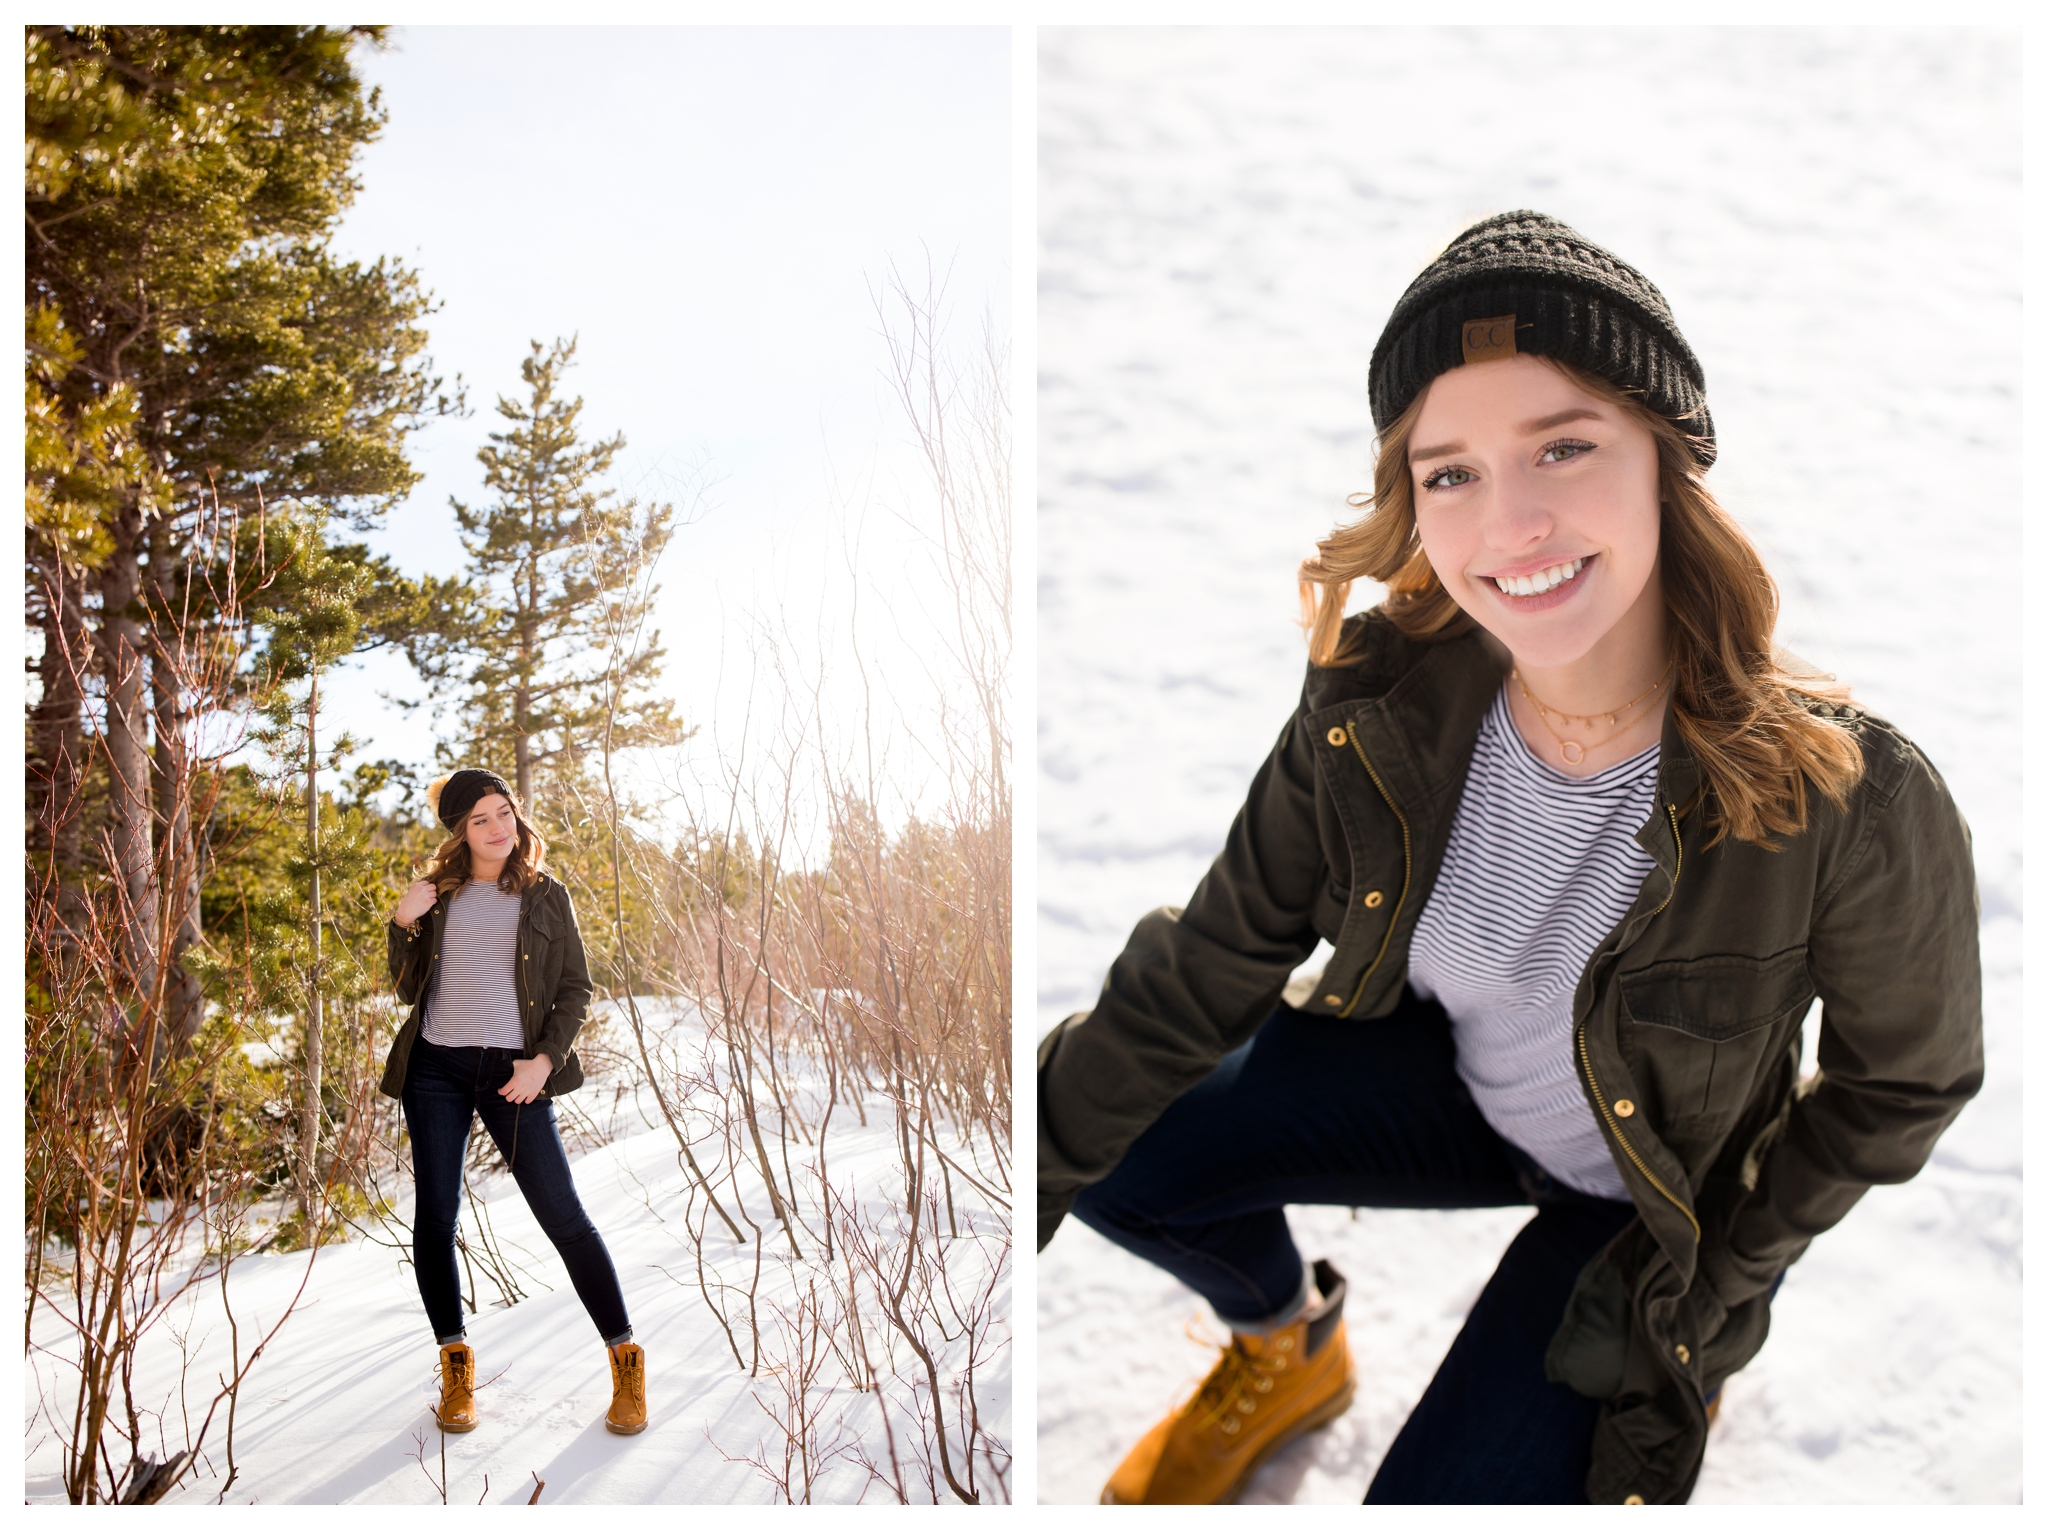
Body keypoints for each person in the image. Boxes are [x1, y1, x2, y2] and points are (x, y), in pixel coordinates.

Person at [1036, 211, 1982, 1505]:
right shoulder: (1376, 714)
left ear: (1666, 462)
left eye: (1566, 447)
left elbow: (1903, 1085)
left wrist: (1709, 1295)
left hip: (1646, 1204)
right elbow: (1204, 965)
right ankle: (1287, 1343)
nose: (1512, 523)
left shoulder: (1849, 795)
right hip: (1455, 1091)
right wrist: (1003, 1197)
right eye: (1452, 473)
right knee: (1109, 1129)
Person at [381, 767, 647, 1438]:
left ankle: (625, 1361)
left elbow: (576, 989)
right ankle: (455, 1367)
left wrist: (544, 1061)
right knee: (436, 1220)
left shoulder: (546, 895)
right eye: (480, 819)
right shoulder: (438, 894)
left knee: (565, 1217)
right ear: (460, 831)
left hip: (514, 1076)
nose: (498, 827)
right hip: (435, 1070)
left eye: (504, 812)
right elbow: (409, 990)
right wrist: (401, 924)